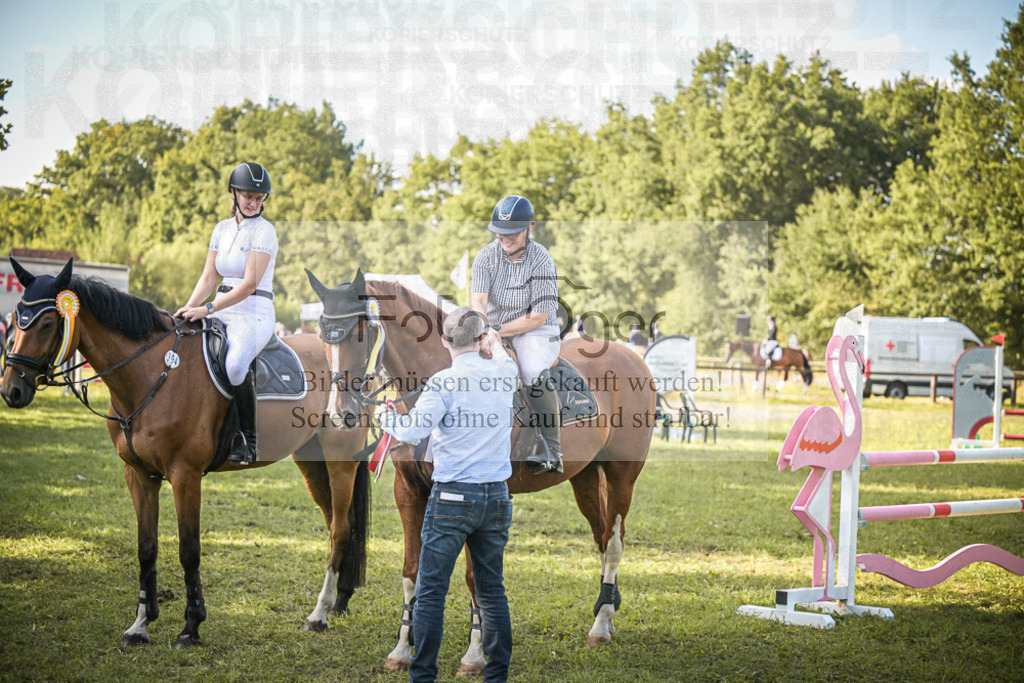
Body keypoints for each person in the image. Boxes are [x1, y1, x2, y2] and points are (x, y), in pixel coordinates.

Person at [377, 307, 518, 683]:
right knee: (492, 593)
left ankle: (422, 676)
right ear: (480, 340)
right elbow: (503, 358)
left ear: (444, 342)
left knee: (431, 593)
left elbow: (410, 431)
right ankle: (497, 675)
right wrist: (497, 344)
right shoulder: (506, 373)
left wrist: (384, 418)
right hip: (497, 499)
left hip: (453, 498)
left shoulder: (442, 382)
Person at [174, 162, 278, 465]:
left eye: (259, 198)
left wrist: (206, 309)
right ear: (233, 193)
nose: (254, 203)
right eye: (248, 196)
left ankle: (248, 440)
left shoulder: (265, 231)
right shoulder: (221, 229)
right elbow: (209, 278)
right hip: (221, 307)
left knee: (234, 365)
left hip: (254, 311)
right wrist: (188, 308)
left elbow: (248, 285)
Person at [470, 194, 562, 474]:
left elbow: (539, 316)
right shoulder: (486, 257)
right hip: (494, 328)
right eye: (499, 232)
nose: (504, 238)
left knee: (532, 370)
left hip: (536, 331)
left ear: (528, 228)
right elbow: (479, 302)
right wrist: (486, 330)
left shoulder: (542, 259)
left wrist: (498, 331)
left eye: (511, 233)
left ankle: (552, 450)